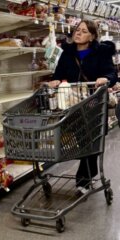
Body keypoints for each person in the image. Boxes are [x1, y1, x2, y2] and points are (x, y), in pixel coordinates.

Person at [48, 19, 117, 194]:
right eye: (77, 30)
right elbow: (58, 74)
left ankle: (83, 179)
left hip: (93, 102)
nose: (78, 33)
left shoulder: (101, 52)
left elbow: (112, 74)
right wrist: (55, 81)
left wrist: (105, 79)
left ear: (92, 36)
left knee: (89, 139)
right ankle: (88, 174)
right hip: (71, 103)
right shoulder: (67, 53)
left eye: (84, 31)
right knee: (83, 140)